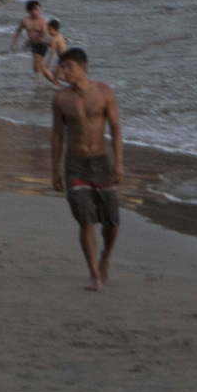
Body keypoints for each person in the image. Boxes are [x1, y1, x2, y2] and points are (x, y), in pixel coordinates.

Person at [49, 48, 124, 292]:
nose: (64, 71)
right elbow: (57, 136)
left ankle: (105, 257)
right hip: (75, 165)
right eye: (62, 66)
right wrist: (55, 170)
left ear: (84, 67)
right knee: (86, 221)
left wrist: (119, 163)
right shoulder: (61, 99)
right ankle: (93, 273)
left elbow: (115, 129)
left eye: (69, 66)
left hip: (101, 162)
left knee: (112, 222)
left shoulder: (103, 92)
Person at [13, 0, 53, 78]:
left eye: (39, 10)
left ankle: (40, 81)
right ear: (29, 11)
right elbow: (18, 31)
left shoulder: (42, 21)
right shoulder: (25, 21)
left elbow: (45, 34)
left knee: (36, 65)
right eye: (36, 10)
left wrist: (46, 42)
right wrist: (14, 43)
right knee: (39, 66)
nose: (38, 12)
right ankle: (49, 79)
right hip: (33, 44)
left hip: (42, 44)